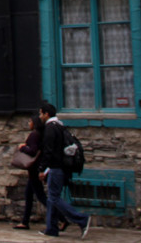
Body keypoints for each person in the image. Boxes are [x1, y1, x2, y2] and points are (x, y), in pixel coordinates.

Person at [37, 102, 91, 238]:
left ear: (46, 114)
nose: (39, 116)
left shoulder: (50, 128)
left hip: (55, 167)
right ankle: (51, 228)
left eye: (40, 113)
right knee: (52, 198)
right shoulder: (60, 126)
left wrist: (42, 169)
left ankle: (81, 219)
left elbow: (48, 151)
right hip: (62, 167)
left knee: (54, 197)